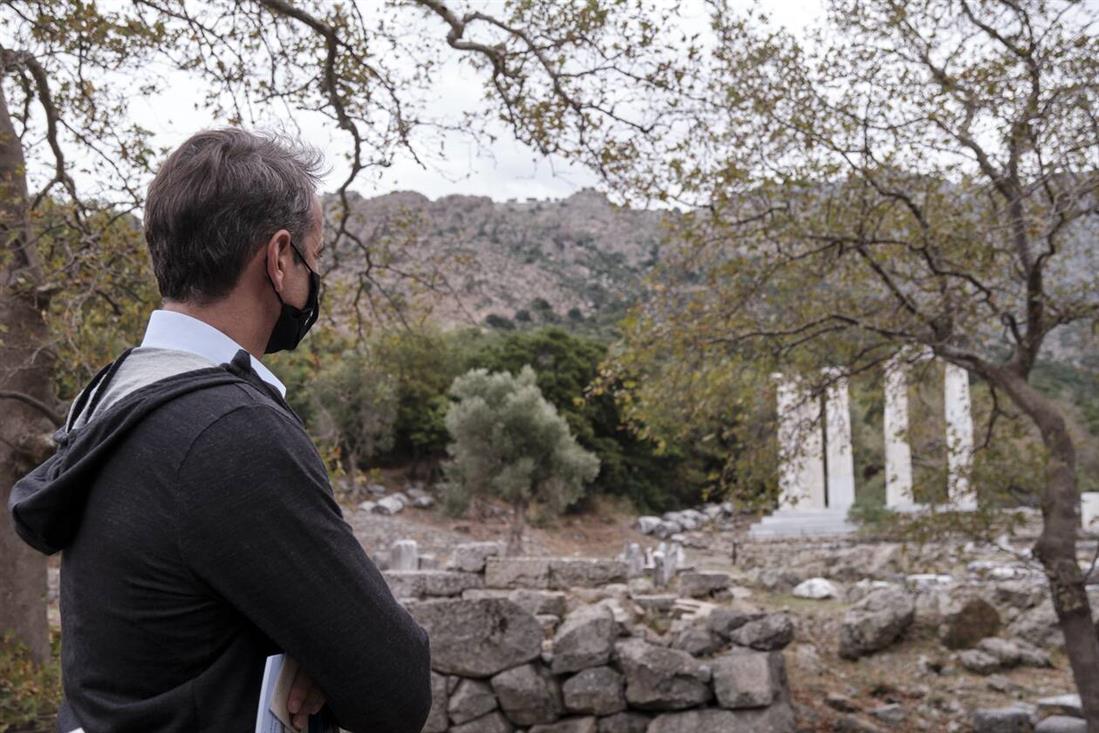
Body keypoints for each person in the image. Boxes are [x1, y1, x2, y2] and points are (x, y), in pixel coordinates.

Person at [8, 128, 431, 733]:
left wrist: (306, 654)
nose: (314, 276)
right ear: (279, 259)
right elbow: (396, 689)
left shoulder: (111, 396)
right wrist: (318, 660)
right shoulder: (230, 431)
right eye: (313, 257)